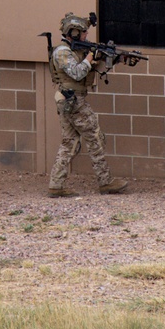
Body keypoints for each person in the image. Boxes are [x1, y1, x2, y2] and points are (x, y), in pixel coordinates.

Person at [47, 13, 128, 197]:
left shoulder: (76, 50)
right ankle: (105, 182)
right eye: (82, 32)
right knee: (95, 137)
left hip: (71, 99)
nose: (85, 36)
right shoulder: (62, 52)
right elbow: (76, 73)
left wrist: (114, 58)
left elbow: (92, 69)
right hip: (73, 100)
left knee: (70, 143)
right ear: (73, 33)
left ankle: (56, 184)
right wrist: (90, 57)